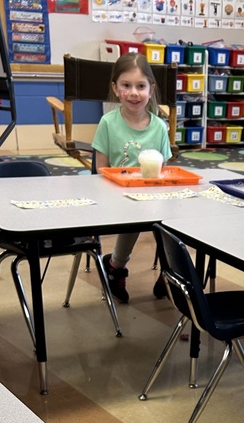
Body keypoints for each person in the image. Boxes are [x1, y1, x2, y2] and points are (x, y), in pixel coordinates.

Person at [93, 52, 172, 304]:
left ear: (151, 89)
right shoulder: (108, 122)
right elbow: (100, 169)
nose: (134, 93)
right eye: (126, 86)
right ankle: (116, 266)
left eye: (140, 86)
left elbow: (165, 168)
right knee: (135, 218)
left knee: (170, 221)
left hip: (152, 195)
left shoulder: (159, 126)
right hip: (119, 196)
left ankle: (169, 272)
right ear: (115, 89)